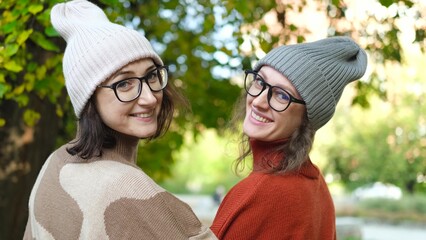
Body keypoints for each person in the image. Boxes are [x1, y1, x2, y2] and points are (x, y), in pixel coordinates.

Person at [23, 0, 216, 239]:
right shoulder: (128, 188)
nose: (149, 97)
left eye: (152, 75)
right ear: (89, 98)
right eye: (124, 83)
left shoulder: (55, 162)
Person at [210, 37, 367, 239]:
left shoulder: (257, 194)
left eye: (282, 95)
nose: (258, 101)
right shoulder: (316, 186)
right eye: (260, 81)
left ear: (306, 119)